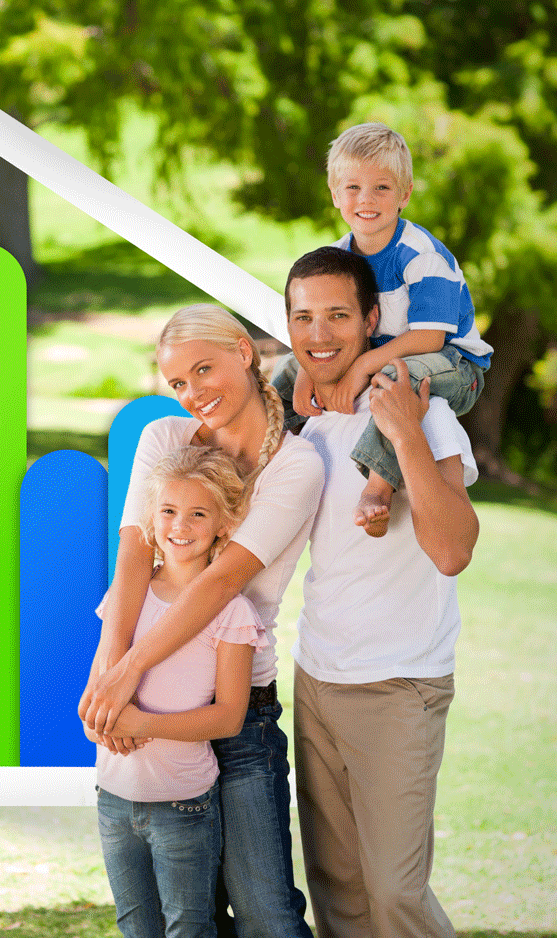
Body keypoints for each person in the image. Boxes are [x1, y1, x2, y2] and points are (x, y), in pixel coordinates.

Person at [80, 303, 322, 938]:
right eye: (178, 383)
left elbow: (223, 581)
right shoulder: (165, 440)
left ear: (246, 352)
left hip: (237, 721)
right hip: (146, 710)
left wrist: (127, 670)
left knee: (265, 914)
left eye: (205, 370)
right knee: (183, 919)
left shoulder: (297, 464)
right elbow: (134, 549)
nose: (193, 395)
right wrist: (110, 672)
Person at [284, 245, 479, 938]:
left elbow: (454, 549)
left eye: (338, 314)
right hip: (317, 679)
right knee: (340, 895)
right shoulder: (307, 420)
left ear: (372, 319)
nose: (319, 333)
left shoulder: (422, 409)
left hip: (400, 684)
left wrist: (403, 432)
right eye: (303, 317)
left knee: (395, 895)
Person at [270, 122, 491, 537]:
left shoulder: (422, 257)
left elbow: (430, 339)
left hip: (454, 366)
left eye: (382, 188)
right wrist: (307, 373)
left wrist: (360, 368)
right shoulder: (337, 256)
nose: (365, 200)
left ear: (404, 194)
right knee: (284, 366)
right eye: (352, 188)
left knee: (394, 379)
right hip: (390, 355)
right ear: (335, 194)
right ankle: (259, 453)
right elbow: (318, 331)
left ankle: (378, 487)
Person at [88, 445, 269, 938]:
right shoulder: (126, 596)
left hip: (182, 804)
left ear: (224, 524)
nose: (179, 525)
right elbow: (92, 696)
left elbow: (229, 717)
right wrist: (102, 722)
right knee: (135, 927)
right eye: (168, 511)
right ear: (151, 517)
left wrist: (141, 724)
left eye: (197, 513)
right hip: (114, 799)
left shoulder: (232, 613)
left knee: (188, 928)